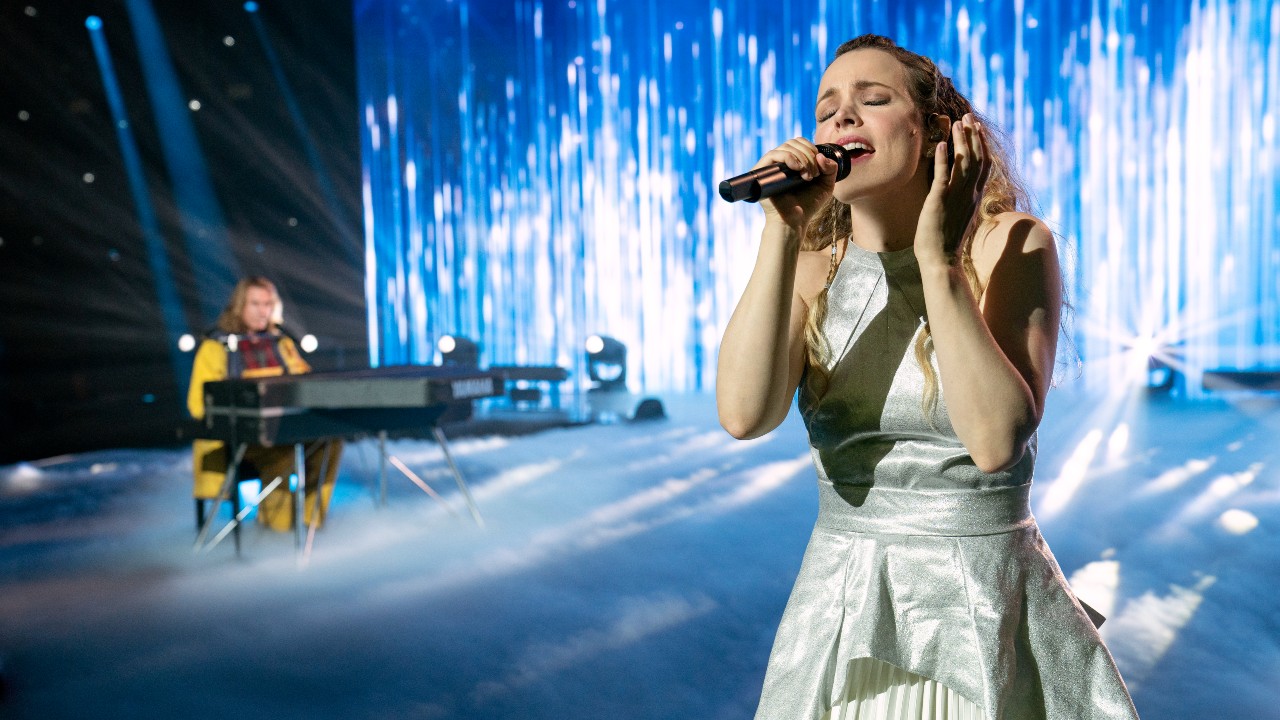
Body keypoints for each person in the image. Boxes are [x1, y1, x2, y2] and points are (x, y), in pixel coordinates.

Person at [717, 35, 1139, 719]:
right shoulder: (813, 266)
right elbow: (742, 415)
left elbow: (996, 437)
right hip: (845, 613)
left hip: (981, 612)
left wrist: (937, 260)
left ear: (937, 131)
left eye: (872, 100)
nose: (842, 119)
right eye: (827, 112)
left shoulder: (1012, 243)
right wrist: (781, 233)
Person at [188, 276, 342, 532]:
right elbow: (197, 405)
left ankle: (310, 524)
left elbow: (306, 384)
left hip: (283, 429)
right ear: (239, 306)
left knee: (330, 441)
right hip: (239, 439)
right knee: (282, 454)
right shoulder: (215, 348)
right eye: (255, 304)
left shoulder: (281, 344)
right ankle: (277, 533)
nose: (263, 311)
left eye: (268, 304)